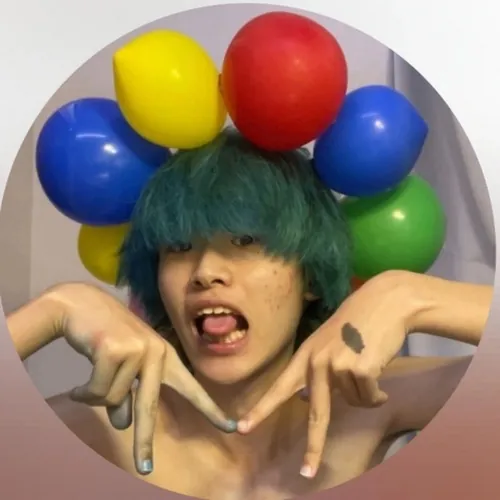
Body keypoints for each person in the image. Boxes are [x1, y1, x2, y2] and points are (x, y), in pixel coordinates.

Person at [7, 128, 491, 499]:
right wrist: (55, 309)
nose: (205, 272)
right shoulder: (99, 428)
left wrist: (408, 296)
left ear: (309, 276)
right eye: (179, 246)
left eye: (244, 241)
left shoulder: (370, 401)